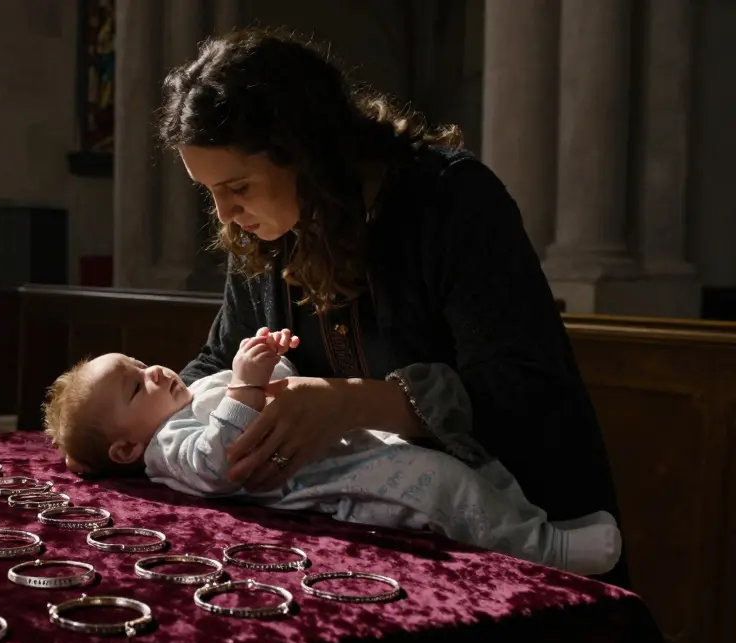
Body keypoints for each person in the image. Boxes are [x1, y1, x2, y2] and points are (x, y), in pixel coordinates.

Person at [66, 28, 630, 587]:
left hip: (520, 533)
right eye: (208, 191)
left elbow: (523, 389)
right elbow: (219, 359)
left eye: (237, 186)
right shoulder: (264, 231)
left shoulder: (451, 202)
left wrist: (352, 403)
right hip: (375, 540)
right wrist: (132, 437)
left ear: (307, 153)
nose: (225, 212)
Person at [42, 328, 622, 576]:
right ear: (125, 448)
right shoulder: (167, 448)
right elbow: (222, 462)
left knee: (466, 464)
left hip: (352, 447)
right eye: (135, 386)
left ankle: (535, 525)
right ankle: (546, 551)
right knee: (445, 485)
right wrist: (244, 383)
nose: (155, 372)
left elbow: (276, 393)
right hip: (346, 485)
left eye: (141, 364)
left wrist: (274, 362)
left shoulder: (189, 399)